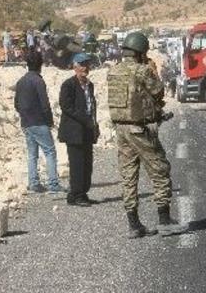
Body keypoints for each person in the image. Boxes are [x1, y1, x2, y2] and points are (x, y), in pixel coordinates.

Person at [108, 32, 185, 238]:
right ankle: (164, 220)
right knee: (160, 169)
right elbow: (158, 91)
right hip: (140, 129)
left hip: (121, 130)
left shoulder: (114, 71)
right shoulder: (142, 71)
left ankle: (134, 225)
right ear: (140, 52)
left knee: (128, 176)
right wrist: (151, 70)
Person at [14, 50, 63, 194]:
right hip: (39, 122)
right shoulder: (38, 81)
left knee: (32, 154)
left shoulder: (20, 81)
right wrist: (50, 121)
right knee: (50, 151)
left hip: (26, 122)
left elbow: (16, 103)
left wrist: (24, 114)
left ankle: (34, 183)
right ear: (40, 64)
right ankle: (53, 184)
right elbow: (45, 104)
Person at [58, 52, 99, 207]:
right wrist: (85, 119)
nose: (85, 68)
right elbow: (66, 106)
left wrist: (94, 124)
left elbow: (91, 106)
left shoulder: (89, 85)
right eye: (81, 65)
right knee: (77, 164)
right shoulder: (68, 85)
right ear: (74, 67)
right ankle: (76, 194)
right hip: (74, 131)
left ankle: (82, 193)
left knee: (87, 164)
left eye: (86, 64)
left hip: (87, 130)